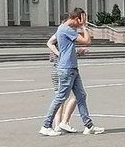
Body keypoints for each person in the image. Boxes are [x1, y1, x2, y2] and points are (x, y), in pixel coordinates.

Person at [39, 8, 104, 136]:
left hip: (72, 67)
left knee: (81, 95)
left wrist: (75, 52)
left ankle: (88, 125)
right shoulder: (66, 29)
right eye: (81, 20)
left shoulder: (64, 29)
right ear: (76, 18)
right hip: (67, 69)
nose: (81, 23)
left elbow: (66, 48)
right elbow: (87, 41)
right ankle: (46, 125)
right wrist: (84, 27)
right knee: (60, 97)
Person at [46, 31, 88, 132]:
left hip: (55, 72)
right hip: (63, 71)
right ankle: (64, 122)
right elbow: (66, 56)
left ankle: (57, 125)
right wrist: (78, 52)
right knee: (75, 96)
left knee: (60, 98)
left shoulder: (56, 45)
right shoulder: (63, 44)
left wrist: (77, 52)